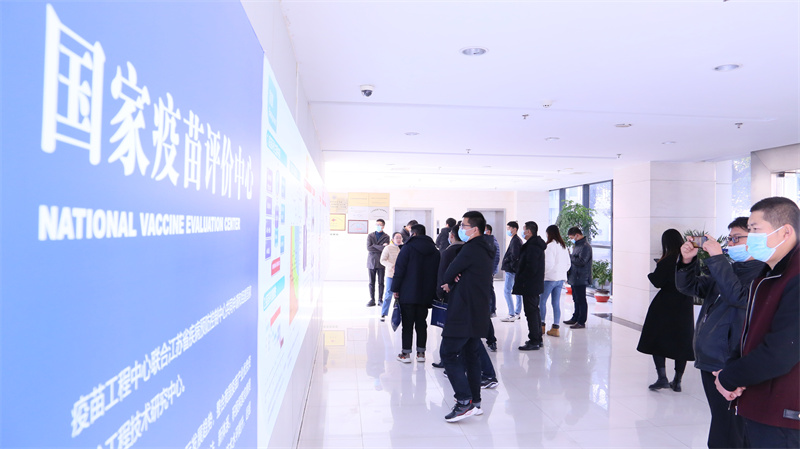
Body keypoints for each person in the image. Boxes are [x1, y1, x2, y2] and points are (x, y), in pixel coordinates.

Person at [716, 197, 800, 448]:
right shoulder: (770, 273)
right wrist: (732, 368)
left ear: (785, 231)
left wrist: (729, 378)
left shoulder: (795, 276)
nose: (750, 237)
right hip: (762, 403)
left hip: (785, 413)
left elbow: (781, 352)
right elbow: (753, 332)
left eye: (755, 230)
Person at [676, 217, 764, 448]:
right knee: (724, 421)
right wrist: (687, 261)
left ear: (756, 240)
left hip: (730, 363)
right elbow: (690, 286)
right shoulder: (731, 270)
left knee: (728, 428)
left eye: (737, 238)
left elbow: (738, 297)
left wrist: (717, 259)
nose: (731, 244)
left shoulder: (762, 274)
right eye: (730, 239)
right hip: (711, 359)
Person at [439, 211, 495, 422]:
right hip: (478, 310)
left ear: (475, 229)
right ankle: (476, 403)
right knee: (471, 355)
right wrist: (457, 277)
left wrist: (453, 278)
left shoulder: (470, 248)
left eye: (464, 226)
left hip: (463, 310)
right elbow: (461, 274)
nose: (461, 229)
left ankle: (464, 402)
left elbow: (448, 273)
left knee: (448, 353)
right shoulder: (486, 248)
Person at [433, 221, 498, 386]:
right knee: (469, 341)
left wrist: (442, 291)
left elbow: (445, 275)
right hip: (471, 301)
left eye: (464, 227)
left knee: (462, 340)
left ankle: (484, 376)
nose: (463, 230)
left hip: (460, 301)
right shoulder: (477, 250)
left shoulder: (457, 251)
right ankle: (482, 376)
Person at [637, 228, 695, 391]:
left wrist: (651, 274)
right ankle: (677, 381)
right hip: (685, 304)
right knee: (682, 342)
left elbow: (658, 282)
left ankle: (662, 378)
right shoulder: (690, 259)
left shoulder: (668, 259)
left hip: (665, 305)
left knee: (657, 339)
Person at [391, 224, 440, 363]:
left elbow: (399, 270)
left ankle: (406, 354)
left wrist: (395, 288)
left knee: (407, 324)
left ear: (413, 234)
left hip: (408, 293)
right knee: (421, 323)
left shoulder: (407, 248)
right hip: (426, 294)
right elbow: (438, 273)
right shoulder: (434, 251)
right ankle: (421, 354)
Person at [513, 221, 547, 351]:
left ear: (529, 231)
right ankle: (537, 338)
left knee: (531, 313)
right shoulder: (535, 245)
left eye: (524, 230)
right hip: (534, 284)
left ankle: (534, 340)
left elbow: (531, 267)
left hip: (529, 285)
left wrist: (522, 278)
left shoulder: (532, 247)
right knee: (534, 311)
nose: (523, 232)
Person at [541, 225, 571, 338]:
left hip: (549, 278)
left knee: (542, 301)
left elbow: (548, 264)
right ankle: (555, 328)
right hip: (560, 279)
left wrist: (542, 274)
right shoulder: (563, 246)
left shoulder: (550, 246)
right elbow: (568, 264)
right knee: (556, 303)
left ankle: (541, 326)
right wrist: (561, 272)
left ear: (549, 234)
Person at [563, 227, 593, 329]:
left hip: (581, 277)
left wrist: (569, 256)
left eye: (572, 238)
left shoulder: (586, 247)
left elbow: (582, 261)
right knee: (576, 299)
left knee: (581, 300)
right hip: (575, 277)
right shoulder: (578, 245)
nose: (572, 239)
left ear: (577, 235)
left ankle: (581, 321)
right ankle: (575, 317)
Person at [500, 221, 524, 322]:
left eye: (509, 228)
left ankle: (511, 314)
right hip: (515, 270)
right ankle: (517, 312)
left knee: (507, 291)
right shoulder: (517, 240)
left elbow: (515, 256)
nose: (507, 230)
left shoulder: (515, 241)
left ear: (514, 229)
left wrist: (508, 263)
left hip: (511, 270)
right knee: (517, 291)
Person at [379, 232, 404, 322]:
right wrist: (391, 266)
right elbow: (382, 260)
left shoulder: (403, 248)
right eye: (397, 238)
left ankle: (401, 313)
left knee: (401, 295)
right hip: (391, 274)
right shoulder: (388, 248)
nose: (399, 239)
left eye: (400, 238)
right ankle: (383, 313)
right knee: (388, 294)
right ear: (393, 239)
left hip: (401, 275)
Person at [366, 219, 390, 307]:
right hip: (371, 262)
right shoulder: (370, 235)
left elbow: (385, 249)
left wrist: (374, 246)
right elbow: (368, 248)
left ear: (383, 226)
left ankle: (380, 299)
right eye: (376, 224)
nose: (378, 226)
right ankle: (372, 299)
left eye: (379, 225)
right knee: (371, 282)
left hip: (381, 262)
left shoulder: (386, 236)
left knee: (381, 282)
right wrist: (380, 247)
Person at [485, 224, 501, 317]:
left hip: (489, 270)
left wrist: (491, 271)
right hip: (489, 270)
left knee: (490, 290)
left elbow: (496, 258)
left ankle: (492, 310)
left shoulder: (492, 242)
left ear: (488, 231)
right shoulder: (488, 241)